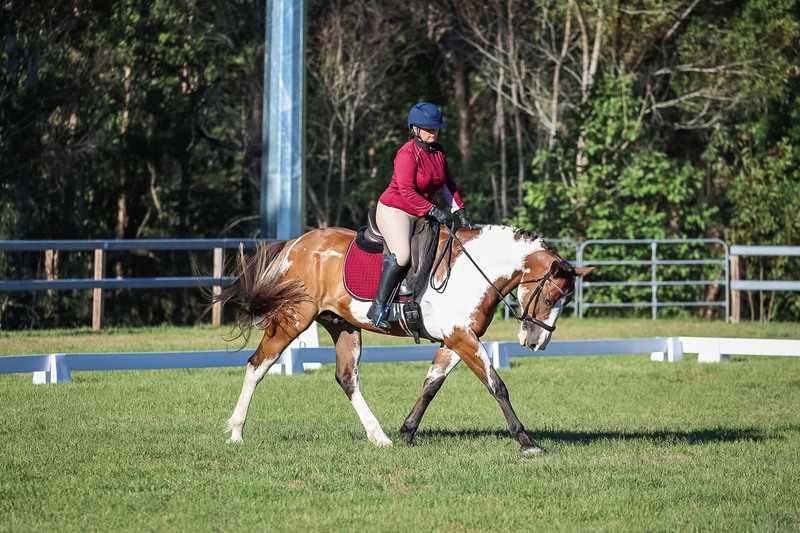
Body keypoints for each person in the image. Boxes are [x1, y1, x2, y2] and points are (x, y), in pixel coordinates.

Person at [367, 102, 473, 328]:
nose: (433, 132)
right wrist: (433, 210)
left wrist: (460, 212)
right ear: (414, 129)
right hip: (396, 208)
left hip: (420, 210)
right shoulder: (406, 153)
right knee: (403, 255)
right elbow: (406, 192)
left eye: (435, 128)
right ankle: (378, 307)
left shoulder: (439, 151)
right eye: (428, 128)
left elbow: (447, 184)